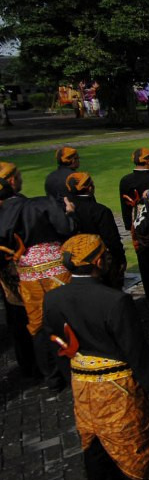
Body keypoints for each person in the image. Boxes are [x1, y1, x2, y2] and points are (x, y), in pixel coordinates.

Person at [44, 234, 149, 480]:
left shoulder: (53, 298)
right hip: (117, 383)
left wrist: (72, 374)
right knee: (130, 437)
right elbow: (134, 348)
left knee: (92, 439)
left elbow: (57, 344)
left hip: (82, 379)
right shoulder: (114, 301)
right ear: (96, 260)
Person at [2, 163, 77, 387]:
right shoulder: (40, 204)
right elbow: (65, 228)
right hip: (55, 270)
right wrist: (70, 214)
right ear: (13, 181)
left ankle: (50, 376)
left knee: (37, 325)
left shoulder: (5, 212)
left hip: (25, 275)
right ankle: (70, 368)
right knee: (65, 318)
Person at [118, 148, 149, 301]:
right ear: (148, 160)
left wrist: (129, 225)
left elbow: (124, 206)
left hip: (135, 225)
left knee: (143, 260)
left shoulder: (125, 180)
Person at [0, 162, 35, 378]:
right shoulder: (21, 207)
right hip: (24, 270)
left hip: (6, 277)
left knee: (16, 319)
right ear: (12, 181)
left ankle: (27, 363)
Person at [66, 172, 126, 288]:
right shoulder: (100, 211)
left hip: (75, 259)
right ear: (90, 188)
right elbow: (112, 239)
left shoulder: (66, 208)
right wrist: (120, 259)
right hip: (99, 260)